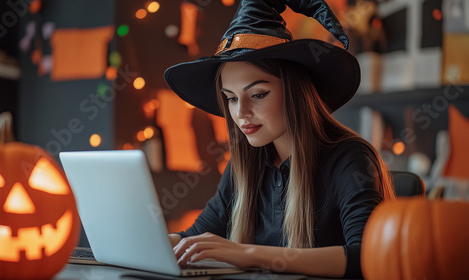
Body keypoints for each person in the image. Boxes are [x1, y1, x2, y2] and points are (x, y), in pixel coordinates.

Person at [164, 0, 396, 278]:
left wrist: (247, 254)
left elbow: (368, 257)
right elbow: (194, 237)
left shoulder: (349, 159)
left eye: (258, 94)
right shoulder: (245, 163)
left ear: (296, 92)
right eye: (231, 98)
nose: (241, 113)